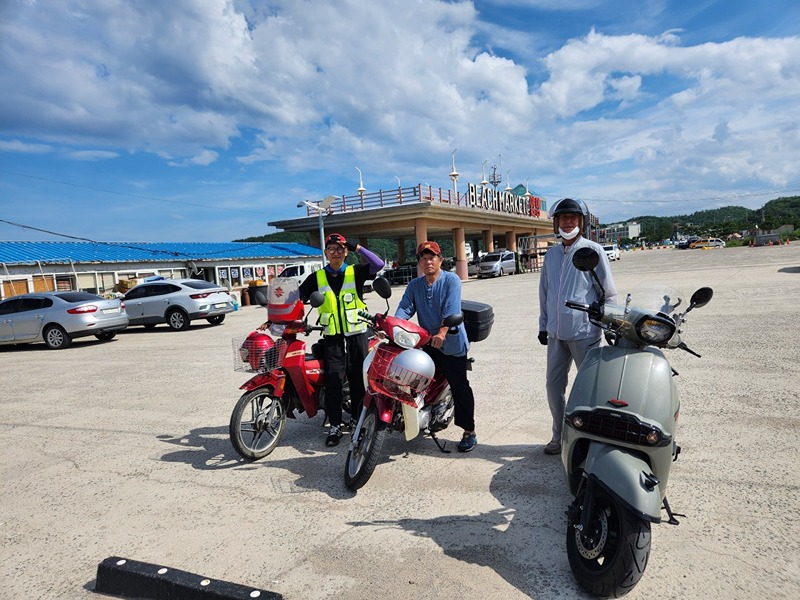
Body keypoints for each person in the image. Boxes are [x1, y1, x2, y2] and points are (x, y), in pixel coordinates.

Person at [538, 198, 617, 455]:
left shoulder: (593, 251)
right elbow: (545, 293)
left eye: (572, 218)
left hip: (585, 332)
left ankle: (591, 436)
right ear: (556, 222)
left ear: (581, 222)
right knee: (553, 385)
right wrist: (543, 324)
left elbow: (609, 292)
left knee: (589, 387)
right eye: (563, 218)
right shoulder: (550, 255)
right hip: (556, 333)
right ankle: (558, 435)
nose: (567, 222)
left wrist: (610, 324)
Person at [299, 233, 384, 446]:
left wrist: (358, 248)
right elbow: (297, 298)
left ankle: (357, 421)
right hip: (333, 336)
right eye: (331, 249)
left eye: (340, 249)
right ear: (326, 253)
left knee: (358, 379)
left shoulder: (355, 271)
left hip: (357, 334)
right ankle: (335, 425)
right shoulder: (316, 278)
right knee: (334, 380)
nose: (335, 252)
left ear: (345, 252)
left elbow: (378, 264)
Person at [395, 241, 478, 452]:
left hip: (450, 341)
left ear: (440, 260)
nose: (427, 261)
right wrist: (393, 327)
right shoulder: (415, 285)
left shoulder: (451, 280)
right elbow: (404, 309)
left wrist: (442, 332)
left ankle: (469, 431)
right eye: (423, 258)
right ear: (419, 263)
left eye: (432, 257)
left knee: (459, 385)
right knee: (412, 375)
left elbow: (451, 310)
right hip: (427, 340)